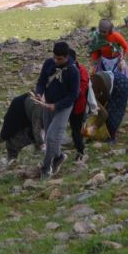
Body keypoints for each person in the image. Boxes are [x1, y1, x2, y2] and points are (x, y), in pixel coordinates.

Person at [32, 41, 79, 179]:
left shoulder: (73, 71)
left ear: (66, 57)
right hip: (48, 103)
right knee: (48, 134)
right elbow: (41, 81)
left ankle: (46, 168)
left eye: (60, 59)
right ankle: (58, 157)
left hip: (63, 107)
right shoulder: (49, 63)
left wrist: (57, 106)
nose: (56, 61)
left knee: (52, 137)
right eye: (55, 57)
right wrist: (39, 93)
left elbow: (73, 95)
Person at [0, 92, 46, 164]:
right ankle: (11, 158)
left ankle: (38, 154)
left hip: (31, 110)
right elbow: (36, 129)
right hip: (19, 108)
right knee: (12, 135)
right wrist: (42, 144)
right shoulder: (39, 110)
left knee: (36, 135)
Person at [91, 69, 128, 144]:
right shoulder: (88, 92)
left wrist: (94, 127)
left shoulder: (90, 98)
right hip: (110, 79)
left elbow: (104, 114)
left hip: (120, 85)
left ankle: (111, 137)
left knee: (114, 112)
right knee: (101, 112)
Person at [68, 49, 90, 163]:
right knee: (75, 128)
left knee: (76, 128)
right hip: (68, 105)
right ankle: (79, 148)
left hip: (78, 106)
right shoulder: (62, 69)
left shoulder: (81, 70)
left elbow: (82, 89)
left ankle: (81, 151)